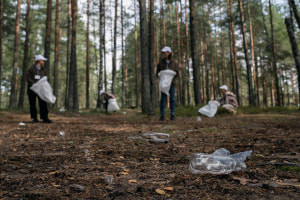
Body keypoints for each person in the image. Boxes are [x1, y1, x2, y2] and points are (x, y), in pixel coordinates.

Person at [26, 55, 52, 123]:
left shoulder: (44, 69)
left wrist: (42, 84)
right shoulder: (31, 69)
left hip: (41, 88)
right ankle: (34, 118)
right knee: (32, 103)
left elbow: (46, 77)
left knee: (43, 102)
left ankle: (45, 118)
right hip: (32, 88)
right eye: (42, 60)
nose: (44, 62)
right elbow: (28, 78)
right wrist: (33, 84)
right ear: (39, 61)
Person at [156, 46, 179, 121]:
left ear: (169, 53)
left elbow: (177, 73)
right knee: (163, 99)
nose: (163, 54)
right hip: (164, 85)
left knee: (172, 99)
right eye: (162, 52)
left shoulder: (174, 63)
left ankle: (172, 114)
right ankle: (162, 115)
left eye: (165, 52)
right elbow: (157, 73)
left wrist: (171, 78)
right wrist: (160, 75)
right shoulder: (161, 63)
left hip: (172, 84)